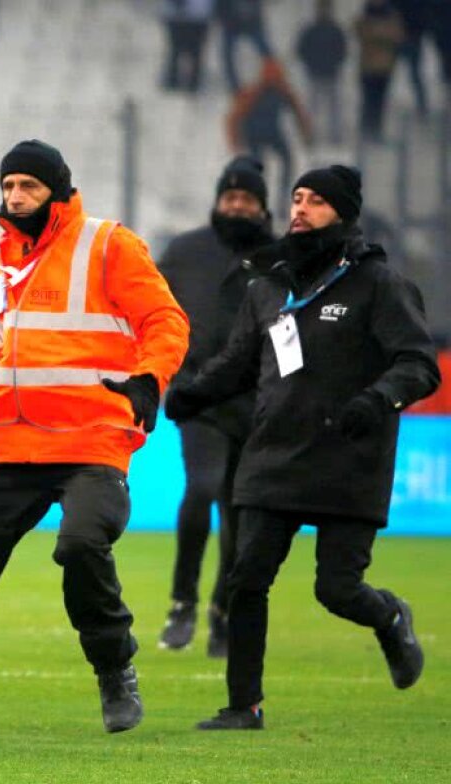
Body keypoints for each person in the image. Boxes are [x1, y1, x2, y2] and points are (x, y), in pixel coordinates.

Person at [0, 140, 189, 740]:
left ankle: (113, 665)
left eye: (29, 186)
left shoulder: (108, 245)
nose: (16, 196)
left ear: (58, 191)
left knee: (80, 544)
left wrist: (151, 377)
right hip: (12, 440)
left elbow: (165, 319)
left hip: (94, 434)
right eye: (9, 185)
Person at [165, 165, 439, 730]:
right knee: (246, 579)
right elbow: (238, 363)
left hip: (349, 456)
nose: (300, 209)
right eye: (296, 198)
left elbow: (419, 364)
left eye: (315, 200)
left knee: (337, 590)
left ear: (344, 213)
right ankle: (244, 706)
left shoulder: (378, 284)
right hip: (274, 454)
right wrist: (190, 394)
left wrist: (376, 400)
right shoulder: (269, 287)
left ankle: (390, 618)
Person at [156, 156, 274, 657]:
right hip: (199, 392)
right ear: (217, 200)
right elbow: (152, 309)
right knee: (202, 487)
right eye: (230, 197)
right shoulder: (184, 251)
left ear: (263, 207)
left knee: (239, 513)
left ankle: (223, 613)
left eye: (247, 198)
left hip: (257, 400)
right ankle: (182, 602)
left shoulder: (280, 259)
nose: (237, 205)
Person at [226, 58, 314, 218]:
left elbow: (298, 112)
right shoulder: (255, 92)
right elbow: (235, 117)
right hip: (254, 134)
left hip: (273, 132)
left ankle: (279, 201)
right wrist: (235, 141)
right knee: (259, 169)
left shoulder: (282, 91)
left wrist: (306, 133)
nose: (275, 81)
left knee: (287, 161)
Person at [295, 0, 348, 145]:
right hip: (315, 74)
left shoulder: (335, 30)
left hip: (331, 74)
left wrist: (336, 64)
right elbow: (301, 49)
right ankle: (309, 135)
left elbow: (343, 50)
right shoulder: (311, 30)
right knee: (313, 107)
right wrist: (310, 65)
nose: (324, 12)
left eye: (326, 9)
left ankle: (335, 136)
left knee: (334, 108)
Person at [355, 0, 407, 143]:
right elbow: (359, 31)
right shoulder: (365, 15)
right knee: (367, 100)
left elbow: (398, 36)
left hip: (384, 67)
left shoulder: (391, 15)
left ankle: (376, 131)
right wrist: (380, 33)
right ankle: (366, 131)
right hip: (367, 67)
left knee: (379, 102)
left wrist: (376, 32)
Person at [215, 0, 271, 91]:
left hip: (251, 22)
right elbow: (220, 6)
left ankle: (273, 78)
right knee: (227, 55)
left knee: (266, 53)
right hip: (231, 24)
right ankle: (234, 87)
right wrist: (222, 19)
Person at [161, 0, 213, 94]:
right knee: (176, 51)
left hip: (198, 16)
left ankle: (193, 83)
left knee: (194, 52)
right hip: (180, 16)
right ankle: (173, 81)